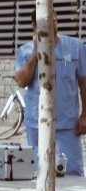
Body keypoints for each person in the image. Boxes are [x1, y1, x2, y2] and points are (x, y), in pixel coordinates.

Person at [14, 16, 86, 176]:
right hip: (37, 125)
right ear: (34, 27)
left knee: (72, 174)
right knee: (40, 174)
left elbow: (84, 83)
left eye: (54, 20)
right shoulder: (25, 51)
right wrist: (36, 52)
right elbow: (21, 81)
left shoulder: (76, 47)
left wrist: (85, 116)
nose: (52, 25)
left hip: (68, 126)